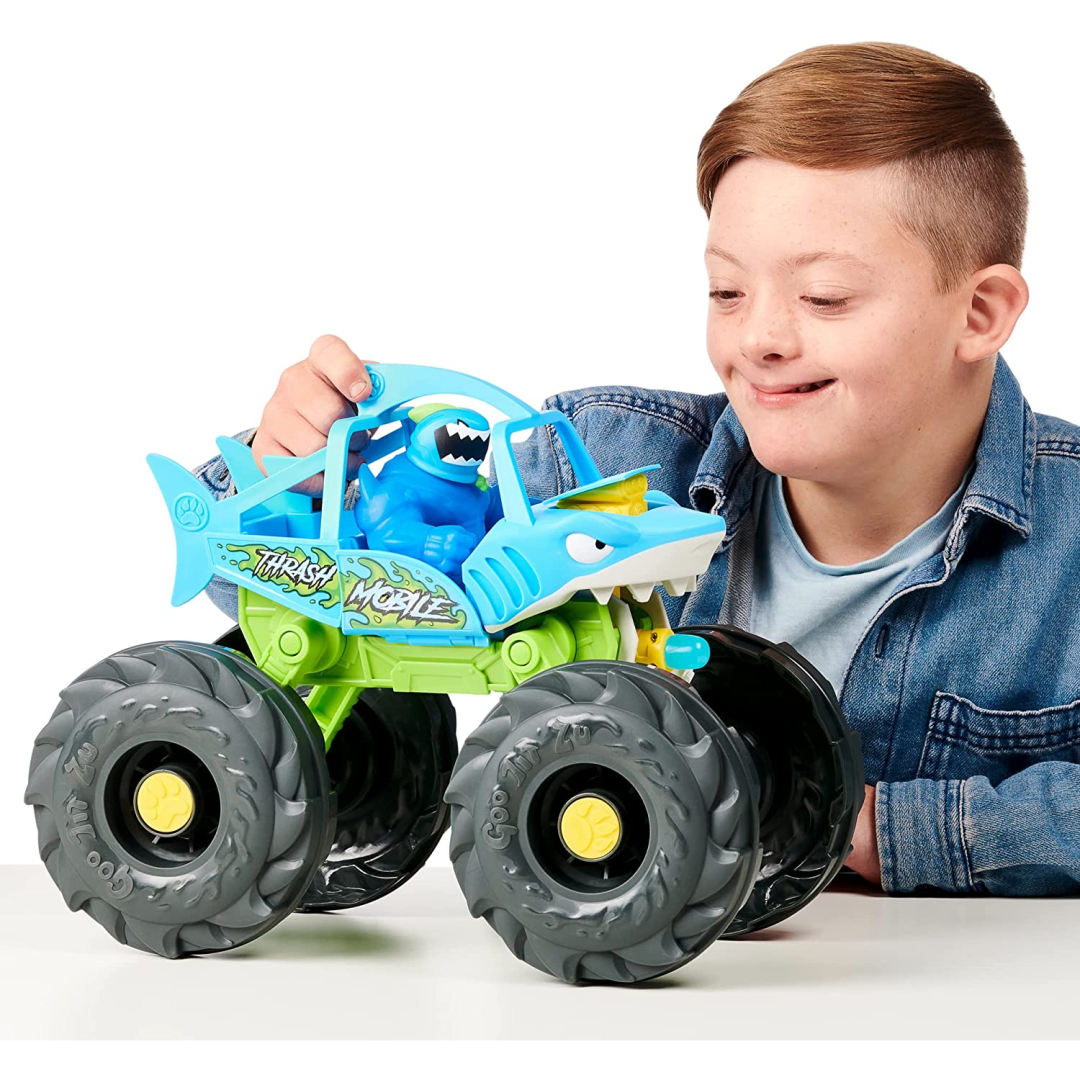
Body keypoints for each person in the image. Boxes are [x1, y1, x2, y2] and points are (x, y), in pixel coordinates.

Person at [193, 42, 1080, 897]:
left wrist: (879, 829)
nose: (759, 338)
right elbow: (283, 600)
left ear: (980, 313)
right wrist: (299, 481)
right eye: (727, 291)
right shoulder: (609, 464)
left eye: (824, 297)